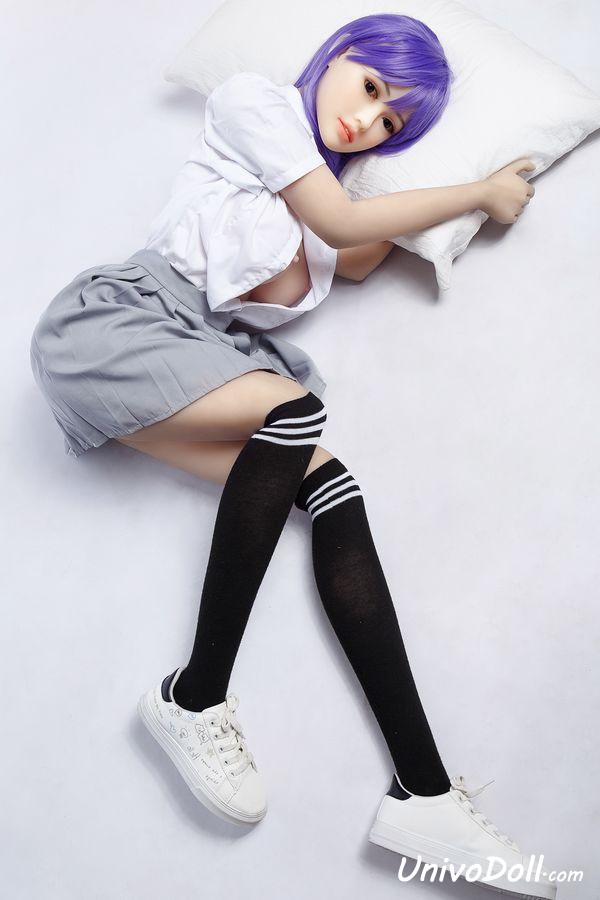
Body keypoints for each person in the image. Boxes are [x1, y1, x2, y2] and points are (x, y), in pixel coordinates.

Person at [30, 14, 552, 897]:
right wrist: (479, 191)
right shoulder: (256, 107)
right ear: (334, 56)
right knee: (294, 411)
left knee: (332, 485)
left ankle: (423, 793)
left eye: (392, 121)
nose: (368, 119)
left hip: (195, 356)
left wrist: (457, 172)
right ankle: (195, 696)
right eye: (371, 86)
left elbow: (361, 241)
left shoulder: (335, 215)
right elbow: (342, 218)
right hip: (117, 326)